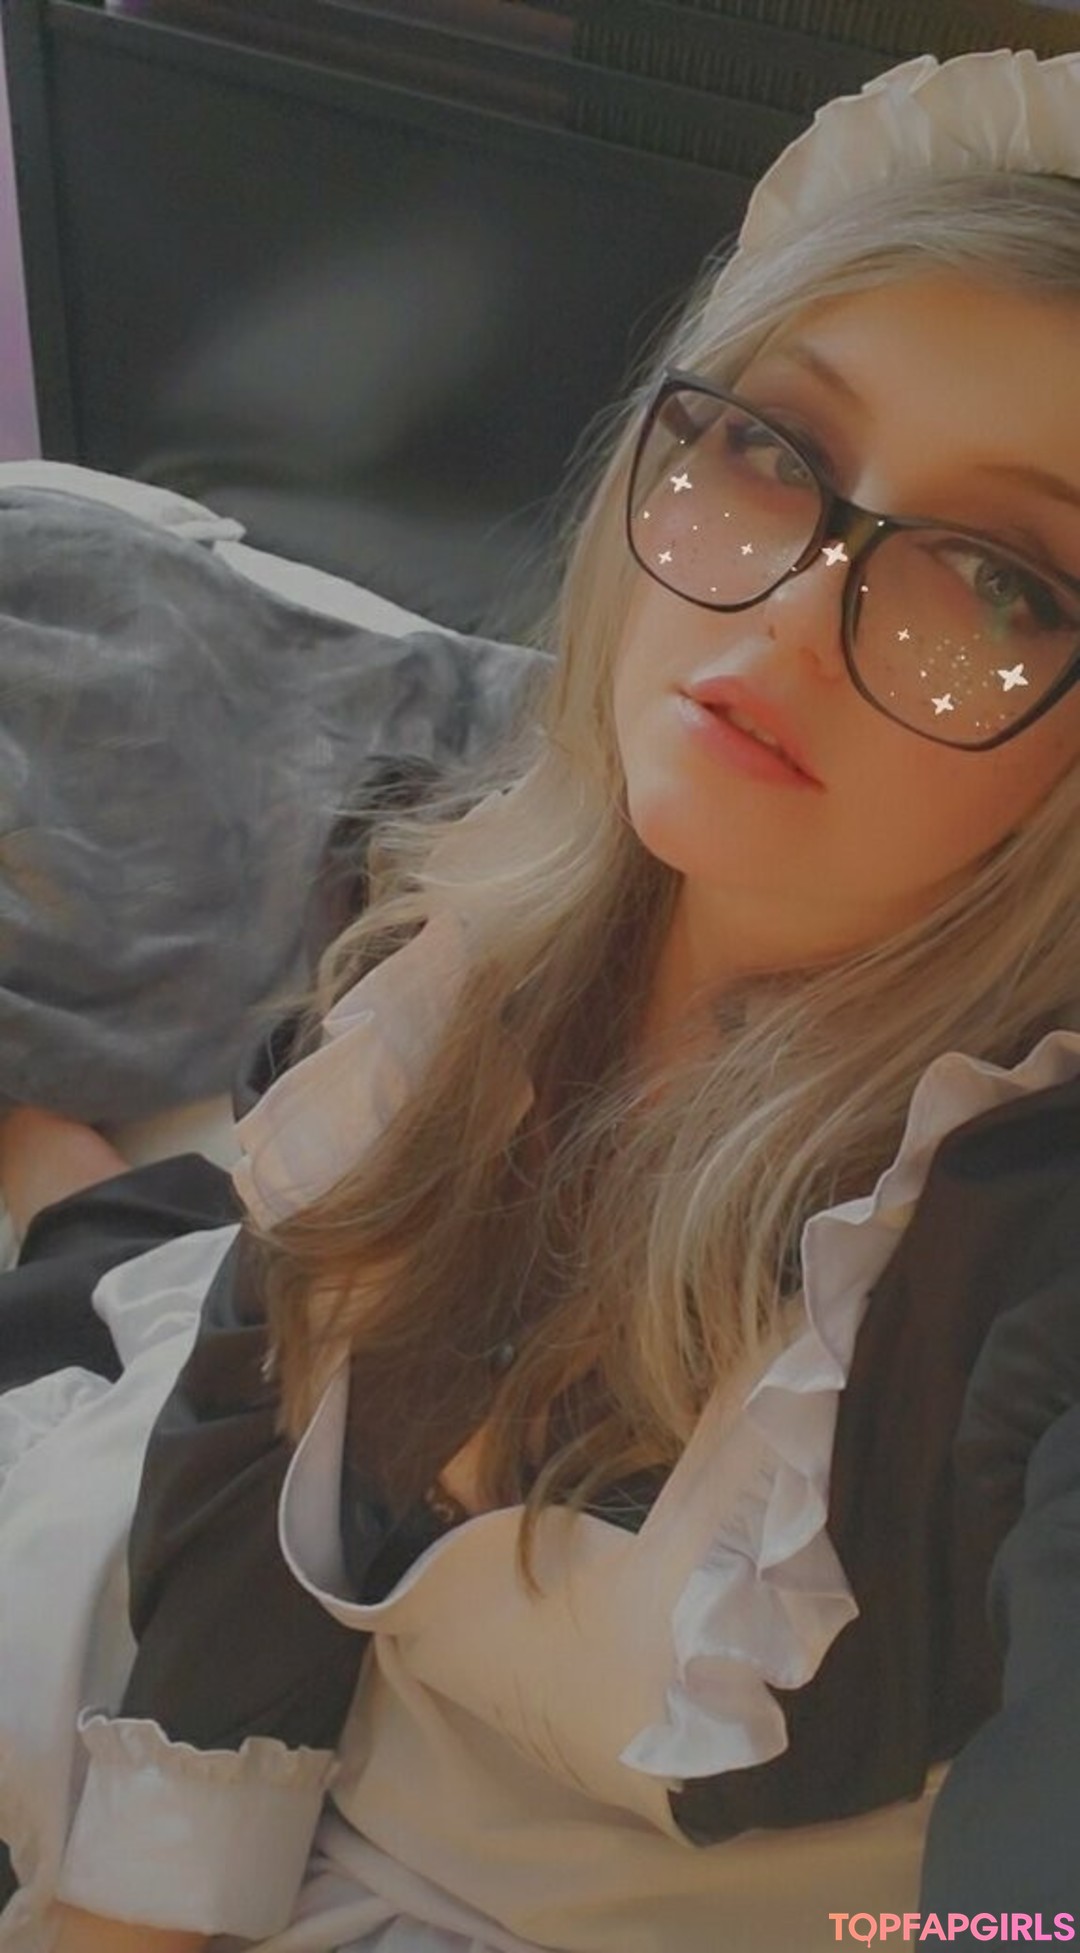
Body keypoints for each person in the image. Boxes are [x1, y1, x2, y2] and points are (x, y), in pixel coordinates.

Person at [3, 42, 1080, 1953]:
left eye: (997, 583)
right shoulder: (473, 950)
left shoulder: (1021, 1262)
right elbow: (257, 1434)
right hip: (235, 1725)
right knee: (129, 1269)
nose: (782, 615)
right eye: (775, 450)